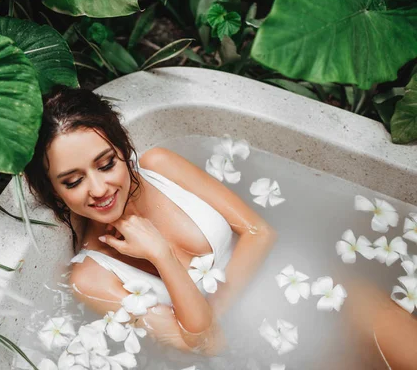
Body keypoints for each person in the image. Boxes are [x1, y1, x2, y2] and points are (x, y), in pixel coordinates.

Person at [23, 87, 417, 367]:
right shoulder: (92, 276)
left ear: (124, 150)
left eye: (106, 163)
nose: (99, 188)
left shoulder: (160, 166)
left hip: (314, 290)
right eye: (73, 181)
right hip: (272, 352)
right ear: (55, 192)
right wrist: (160, 254)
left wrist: (216, 307)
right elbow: (205, 344)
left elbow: (261, 232)